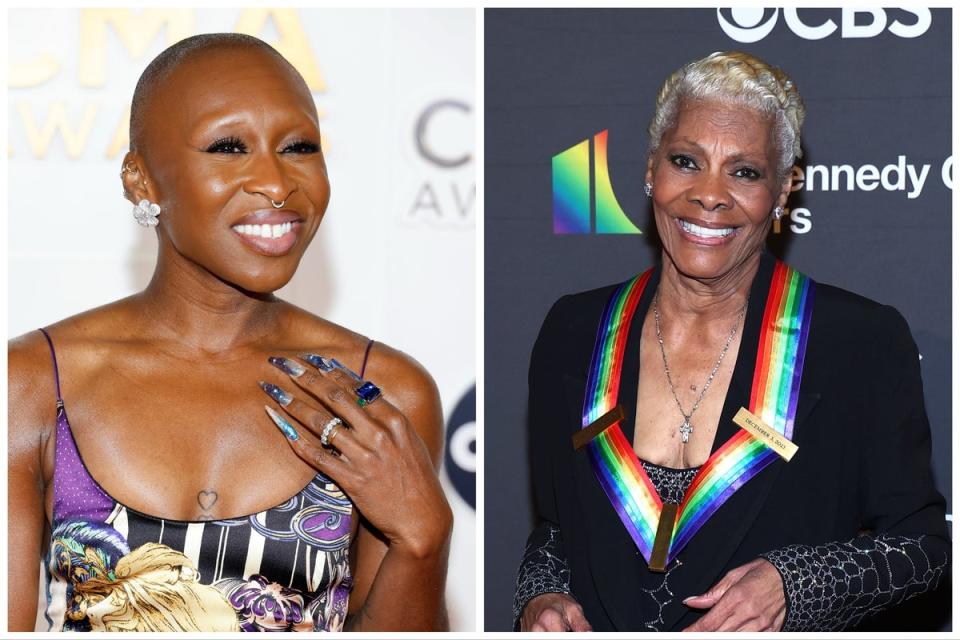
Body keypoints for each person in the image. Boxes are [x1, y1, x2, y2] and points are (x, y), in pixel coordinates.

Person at [8, 33, 452, 632]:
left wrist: (422, 540)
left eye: (298, 146)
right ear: (141, 181)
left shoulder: (379, 393)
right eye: (227, 147)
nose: (276, 181)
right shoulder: (33, 382)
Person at [514, 51, 949, 632]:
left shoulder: (859, 342)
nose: (710, 194)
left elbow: (922, 549)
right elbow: (554, 528)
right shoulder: (573, 330)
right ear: (650, 171)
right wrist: (540, 598)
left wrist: (793, 584)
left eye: (745, 171)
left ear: (784, 190)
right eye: (686, 161)